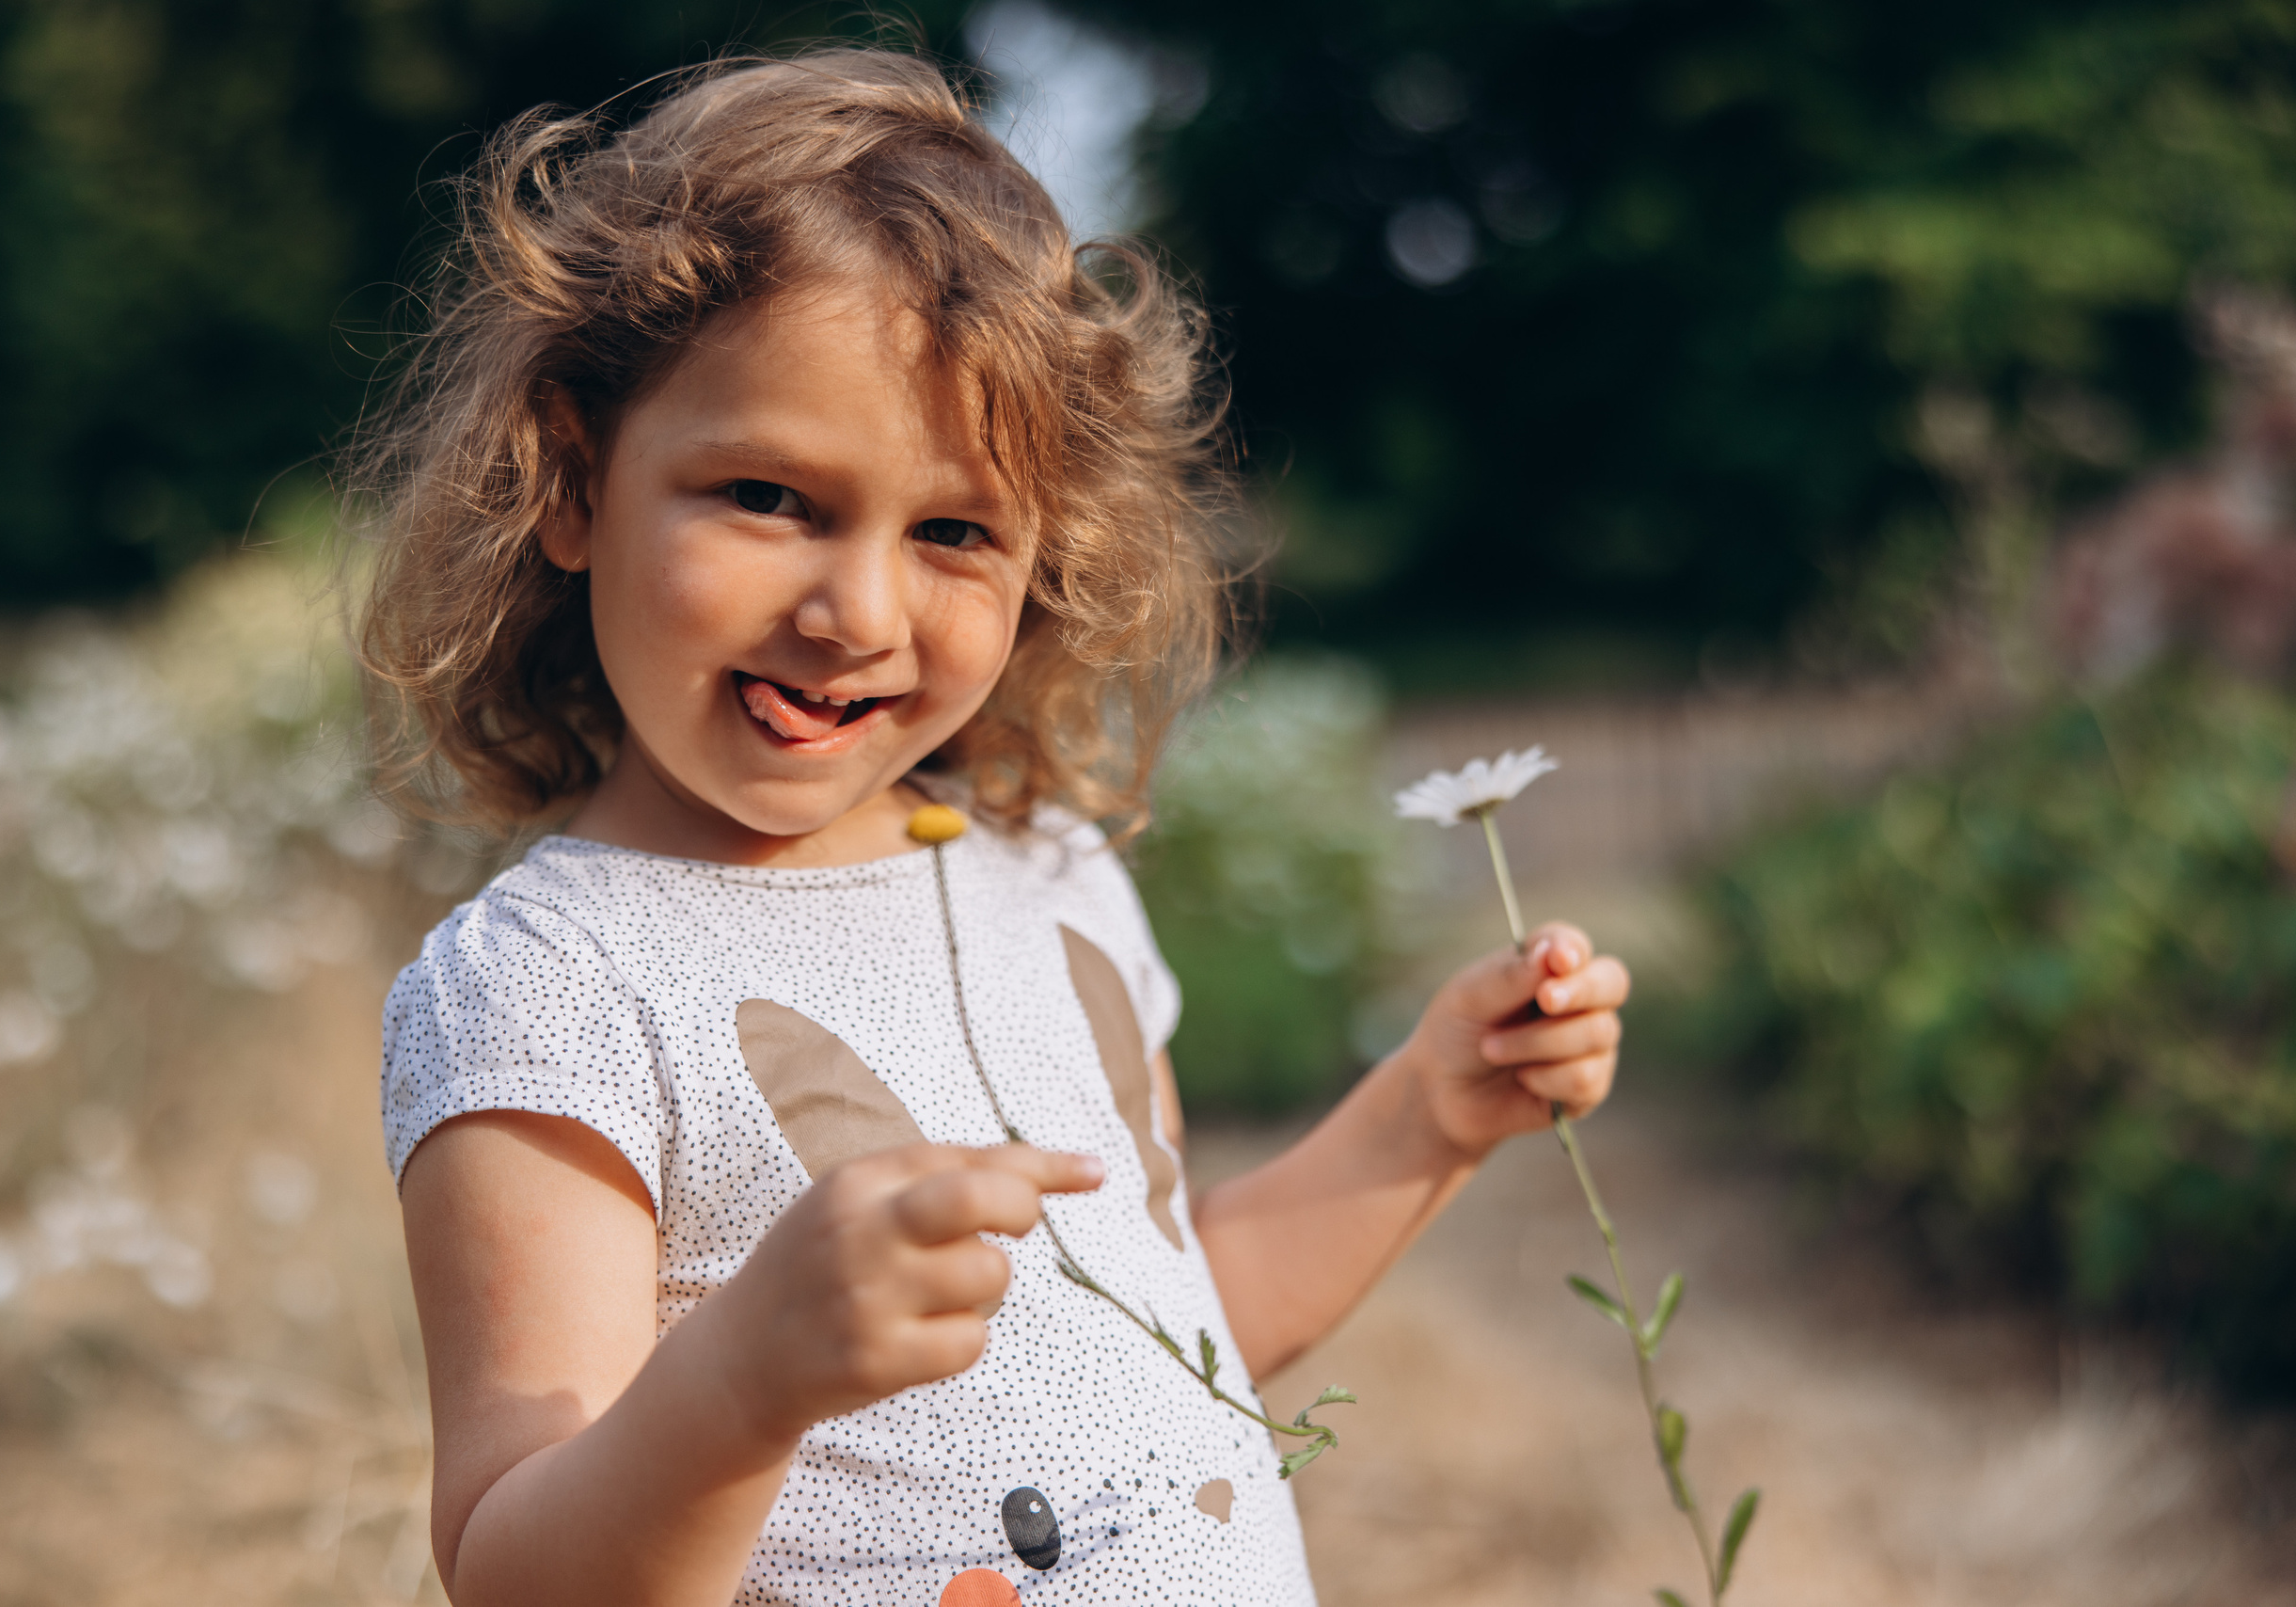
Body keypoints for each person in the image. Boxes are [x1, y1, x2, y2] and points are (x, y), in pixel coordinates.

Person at [352, 47, 1629, 1607]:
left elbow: (1170, 1332)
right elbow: (511, 1572)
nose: (857, 612)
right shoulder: (549, 987)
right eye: (767, 496)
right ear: (571, 474)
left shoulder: (1048, 876)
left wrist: (1430, 1111)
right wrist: (742, 1385)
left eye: (954, 531)